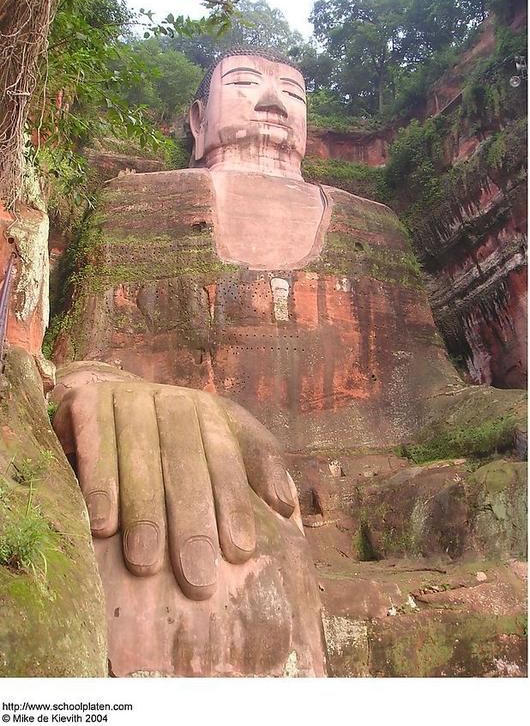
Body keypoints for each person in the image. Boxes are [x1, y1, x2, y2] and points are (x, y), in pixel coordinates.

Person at [51, 48, 459, 676]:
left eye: (292, 92)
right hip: (213, 472)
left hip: (379, 480)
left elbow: (436, 396)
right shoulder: (137, 205)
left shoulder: (371, 226)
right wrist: (115, 391)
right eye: (244, 84)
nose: (272, 103)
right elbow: (74, 366)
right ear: (196, 120)